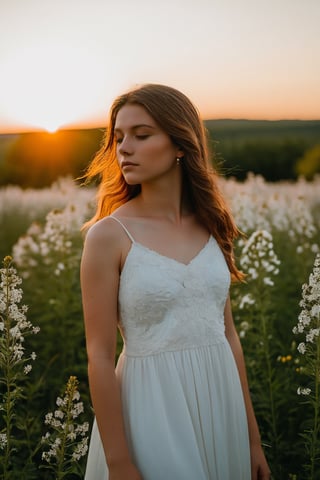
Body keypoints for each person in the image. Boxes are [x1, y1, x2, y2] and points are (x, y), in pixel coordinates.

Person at [80, 83, 271, 480]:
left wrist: (252, 440)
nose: (124, 148)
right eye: (118, 138)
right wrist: (119, 463)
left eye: (142, 135)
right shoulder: (108, 236)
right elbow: (98, 355)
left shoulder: (212, 226)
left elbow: (229, 335)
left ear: (181, 143)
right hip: (151, 410)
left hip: (221, 404)